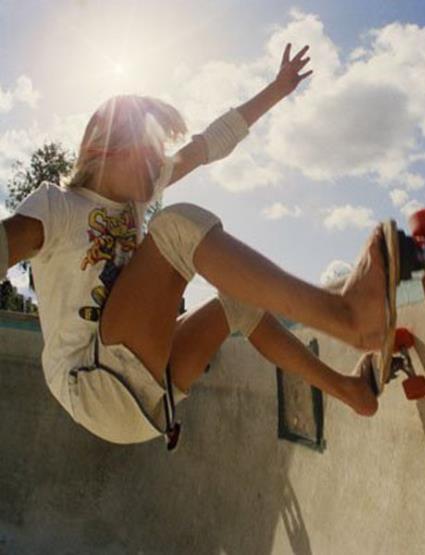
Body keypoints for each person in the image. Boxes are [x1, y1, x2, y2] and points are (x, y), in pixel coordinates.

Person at [0, 43, 382, 450]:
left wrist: (276, 89)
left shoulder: (137, 198)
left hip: (151, 393)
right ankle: (344, 316)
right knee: (174, 226)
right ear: (102, 149)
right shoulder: (57, 207)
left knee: (239, 302)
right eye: (148, 153)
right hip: (92, 382)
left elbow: (205, 146)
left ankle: (350, 390)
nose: (158, 165)